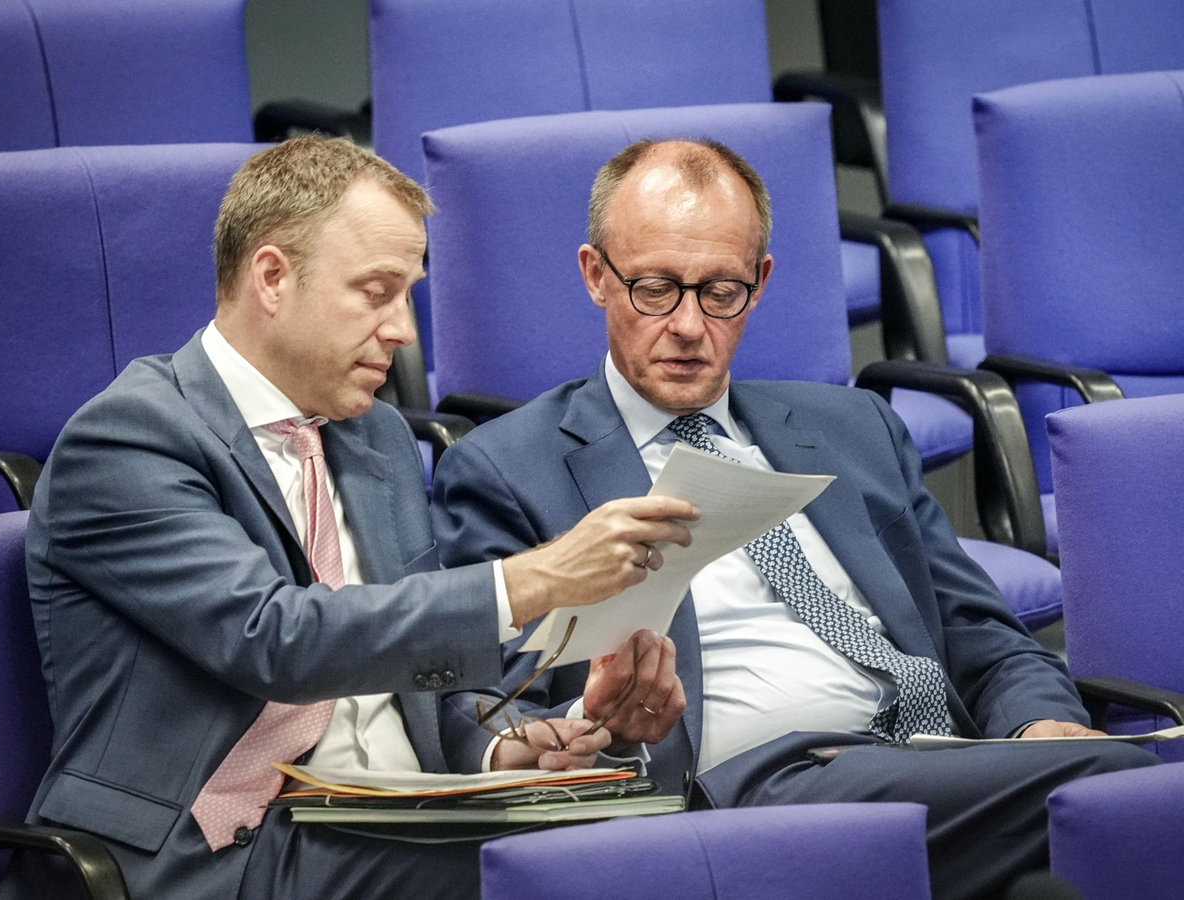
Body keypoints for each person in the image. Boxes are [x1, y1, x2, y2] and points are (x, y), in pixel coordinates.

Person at [430, 138, 1160, 899]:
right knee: (1121, 789)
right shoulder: (510, 468)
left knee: (1106, 806)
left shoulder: (855, 428)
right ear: (596, 276)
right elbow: (487, 709)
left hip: (939, 761)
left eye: (721, 291)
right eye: (656, 289)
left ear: (761, 282)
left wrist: (1038, 726)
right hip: (749, 789)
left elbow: (979, 632)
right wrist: (589, 720)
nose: (688, 324)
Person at [0, 136, 699, 900]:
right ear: (272, 277)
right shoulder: (129, 439)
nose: (402, 330)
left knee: (646, 828)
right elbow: (277, 640)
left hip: (383, 816)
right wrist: (536, 578)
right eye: (376, 291)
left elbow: (413, 674)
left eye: (408, 295)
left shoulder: (377, 437)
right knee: (562, 866)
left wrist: (504, 749)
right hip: (211, 850)